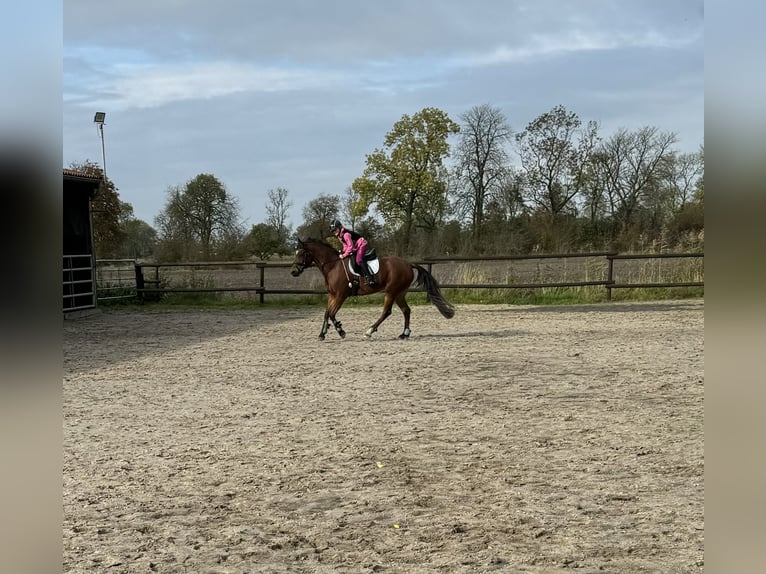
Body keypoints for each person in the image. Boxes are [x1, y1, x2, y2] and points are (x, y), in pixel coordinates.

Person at [329, 219, 376, 286]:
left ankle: (370, 278)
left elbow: (350, 247)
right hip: (356, 246)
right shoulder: (340, 237)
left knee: (358, 260)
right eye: (333, 231)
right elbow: (345, 245)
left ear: (339, 227)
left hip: (362, 244)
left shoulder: (346, 235)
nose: (334, 232)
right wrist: (343, 252)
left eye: (335, 230)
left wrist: (344, 255)